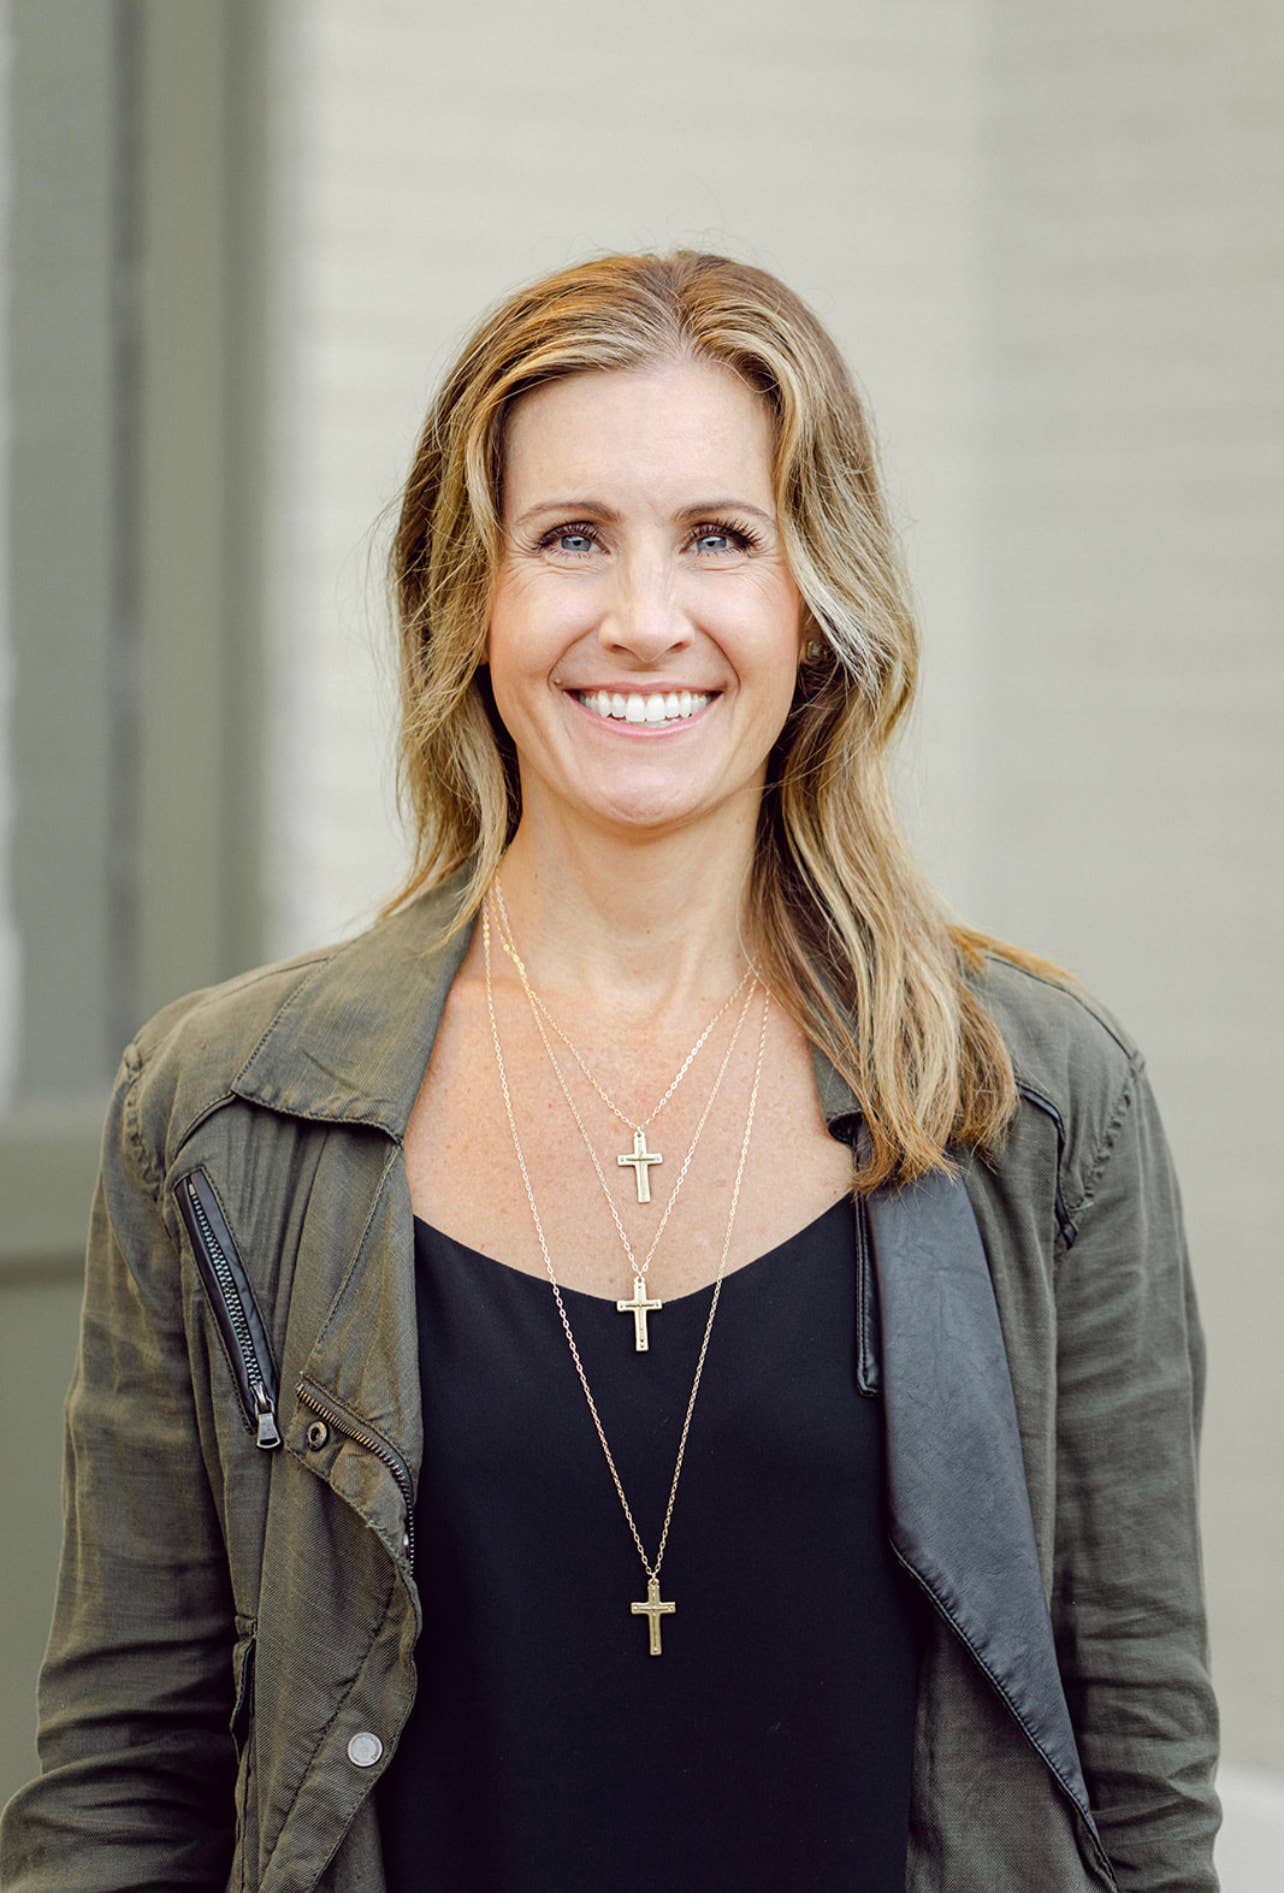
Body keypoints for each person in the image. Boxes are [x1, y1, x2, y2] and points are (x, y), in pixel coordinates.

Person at [0, 248, 1221, 1893]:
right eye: (570, 538)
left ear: (816, 604)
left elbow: (1138, 1777)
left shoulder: (1039, 1103)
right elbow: (117, 1783)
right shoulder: (226, 1109)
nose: (645, 618)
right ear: (474, 599)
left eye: (721, 537)